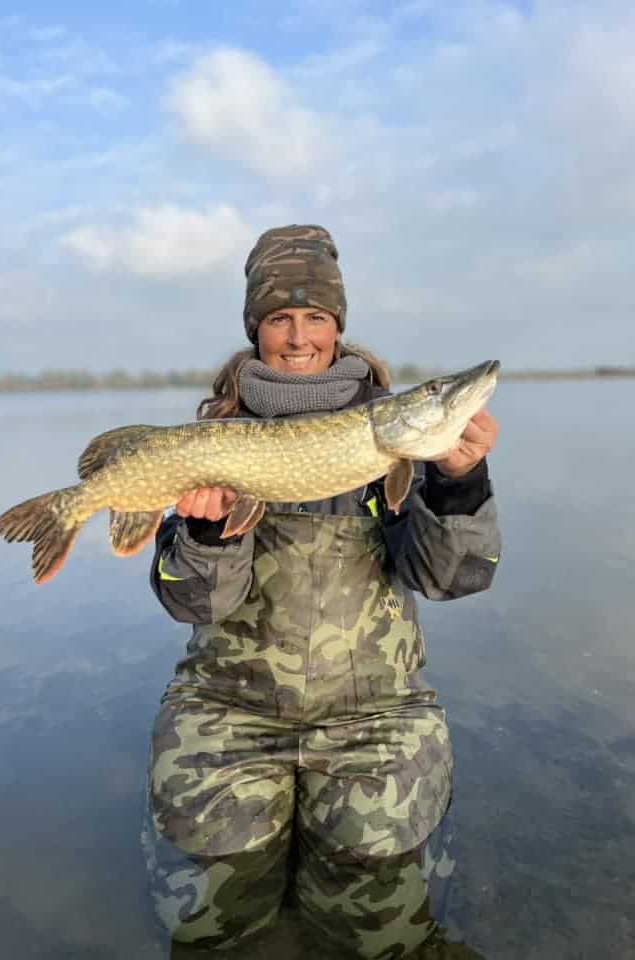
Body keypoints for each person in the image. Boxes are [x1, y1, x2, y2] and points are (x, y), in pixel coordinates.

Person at [143, 225, 501, 958]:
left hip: (375, 715)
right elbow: (189, 601)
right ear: (256, 330)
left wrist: (461, 481)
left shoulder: (398, 437)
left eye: (315, 318)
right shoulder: (214, 437)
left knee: (378, 924)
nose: (298, 336)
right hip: (227, 711)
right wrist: (209, 538)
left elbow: (449, 578)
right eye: (279, 318)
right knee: (215, 921)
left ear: (338, 327)